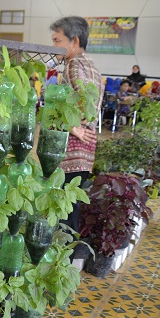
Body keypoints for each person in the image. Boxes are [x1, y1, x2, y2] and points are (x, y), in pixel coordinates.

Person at [50, 16, 104, 233]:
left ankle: (63, 261)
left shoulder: (73, 65)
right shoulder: (89, 65)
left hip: (73, 149)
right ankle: (65, 260)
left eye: (57, 40)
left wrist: (73, 128)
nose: (53, 45)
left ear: (74, 41)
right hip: (84, 152)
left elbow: (83, 102)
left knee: (64, 210)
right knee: (70, 207)